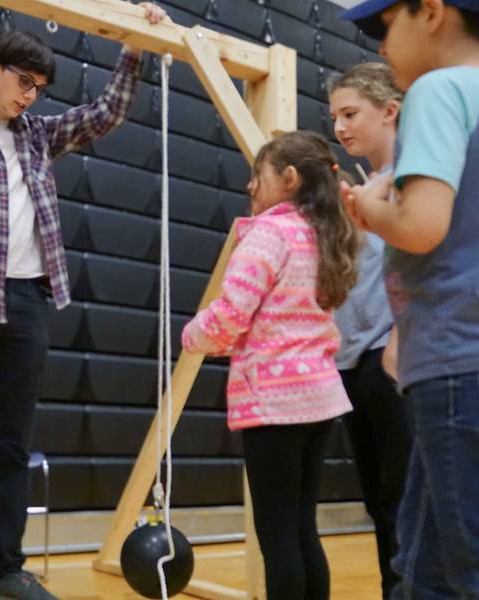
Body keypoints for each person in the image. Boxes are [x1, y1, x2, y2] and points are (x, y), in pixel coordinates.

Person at [0, 5, 169, 600]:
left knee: (13, 445)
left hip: (26, 302)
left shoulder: (38, 135)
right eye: (23, 82)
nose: (30, 96)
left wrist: (135, 45)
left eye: (40, 88)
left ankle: (5, 571)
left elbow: (105, 116)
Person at [182, 130, 361, 600]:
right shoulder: (325, 234)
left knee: (278, 534)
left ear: (288, 178)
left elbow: (229, 318)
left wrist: (191, 334)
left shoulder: (269, 235)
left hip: (275, 405)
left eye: (257, 177)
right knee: (302, 526)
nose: (249, 187)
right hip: (320, 402)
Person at [340, 1, 479, 597]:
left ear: (430, 12)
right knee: (421, 567)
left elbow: (420, 225)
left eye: (383, 26)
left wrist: (370, 209)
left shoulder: (439, 89)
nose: (378, 46)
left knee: (464, 563)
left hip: (455, 363)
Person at [327, 62, 411, 599]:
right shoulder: (362, 188)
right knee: (381, 502)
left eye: (350, 113)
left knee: (405, 499)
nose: (339, 127)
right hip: (354, 363)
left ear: (390, 111)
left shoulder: (412, 181)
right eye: (334, 116)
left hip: (395, 361)